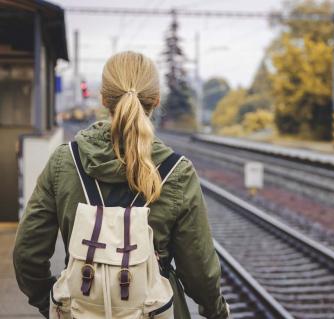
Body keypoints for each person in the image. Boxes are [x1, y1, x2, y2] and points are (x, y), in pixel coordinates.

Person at [13, 51, 229, 319]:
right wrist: (216, 312)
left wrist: (51, 302)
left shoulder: (63, 161)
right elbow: (200, 272)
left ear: (103, 99)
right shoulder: (177, 171)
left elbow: (26, 255)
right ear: (156, 101)